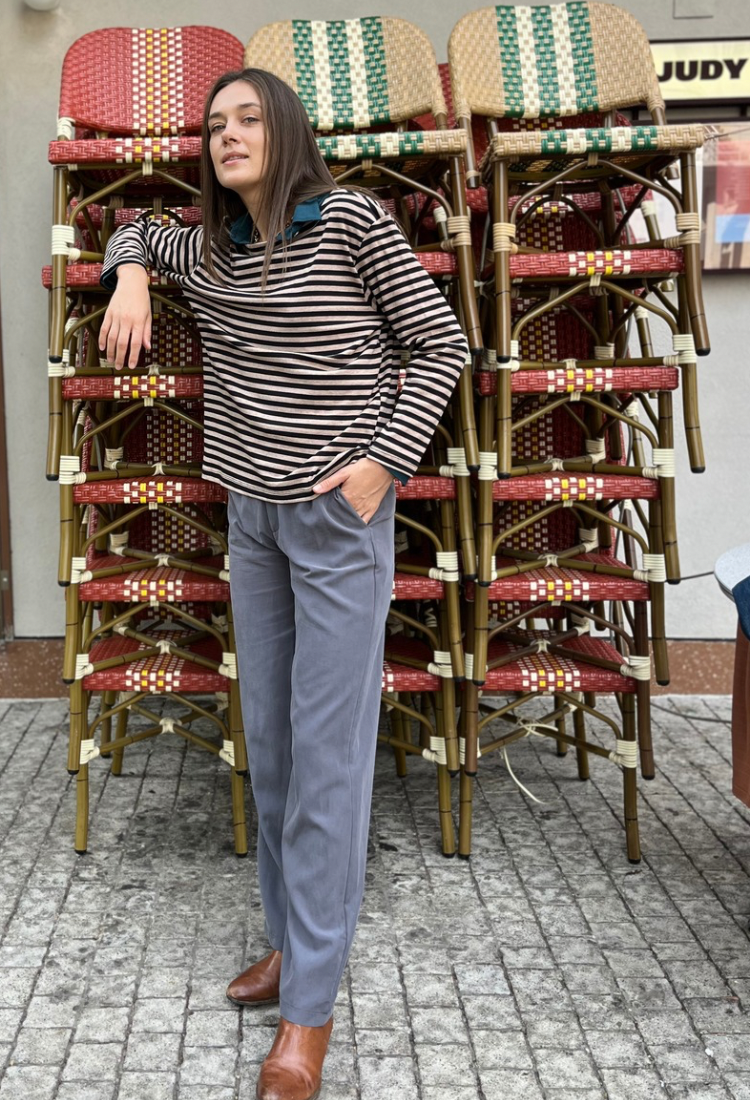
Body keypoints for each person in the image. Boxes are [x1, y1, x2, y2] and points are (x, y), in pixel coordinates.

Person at [99, 67, 468, 1100]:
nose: (227, 134)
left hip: (338, 519)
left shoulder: (350, 222)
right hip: (253, 522)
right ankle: (292, 943)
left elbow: (441, 344)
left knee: (331, 755)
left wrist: (384, 463)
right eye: (214, 124)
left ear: (288, 128)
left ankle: (309, 1007)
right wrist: (130, 275)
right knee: (271, 746)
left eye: (248, 117)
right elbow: (134, 228)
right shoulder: (208, 246)